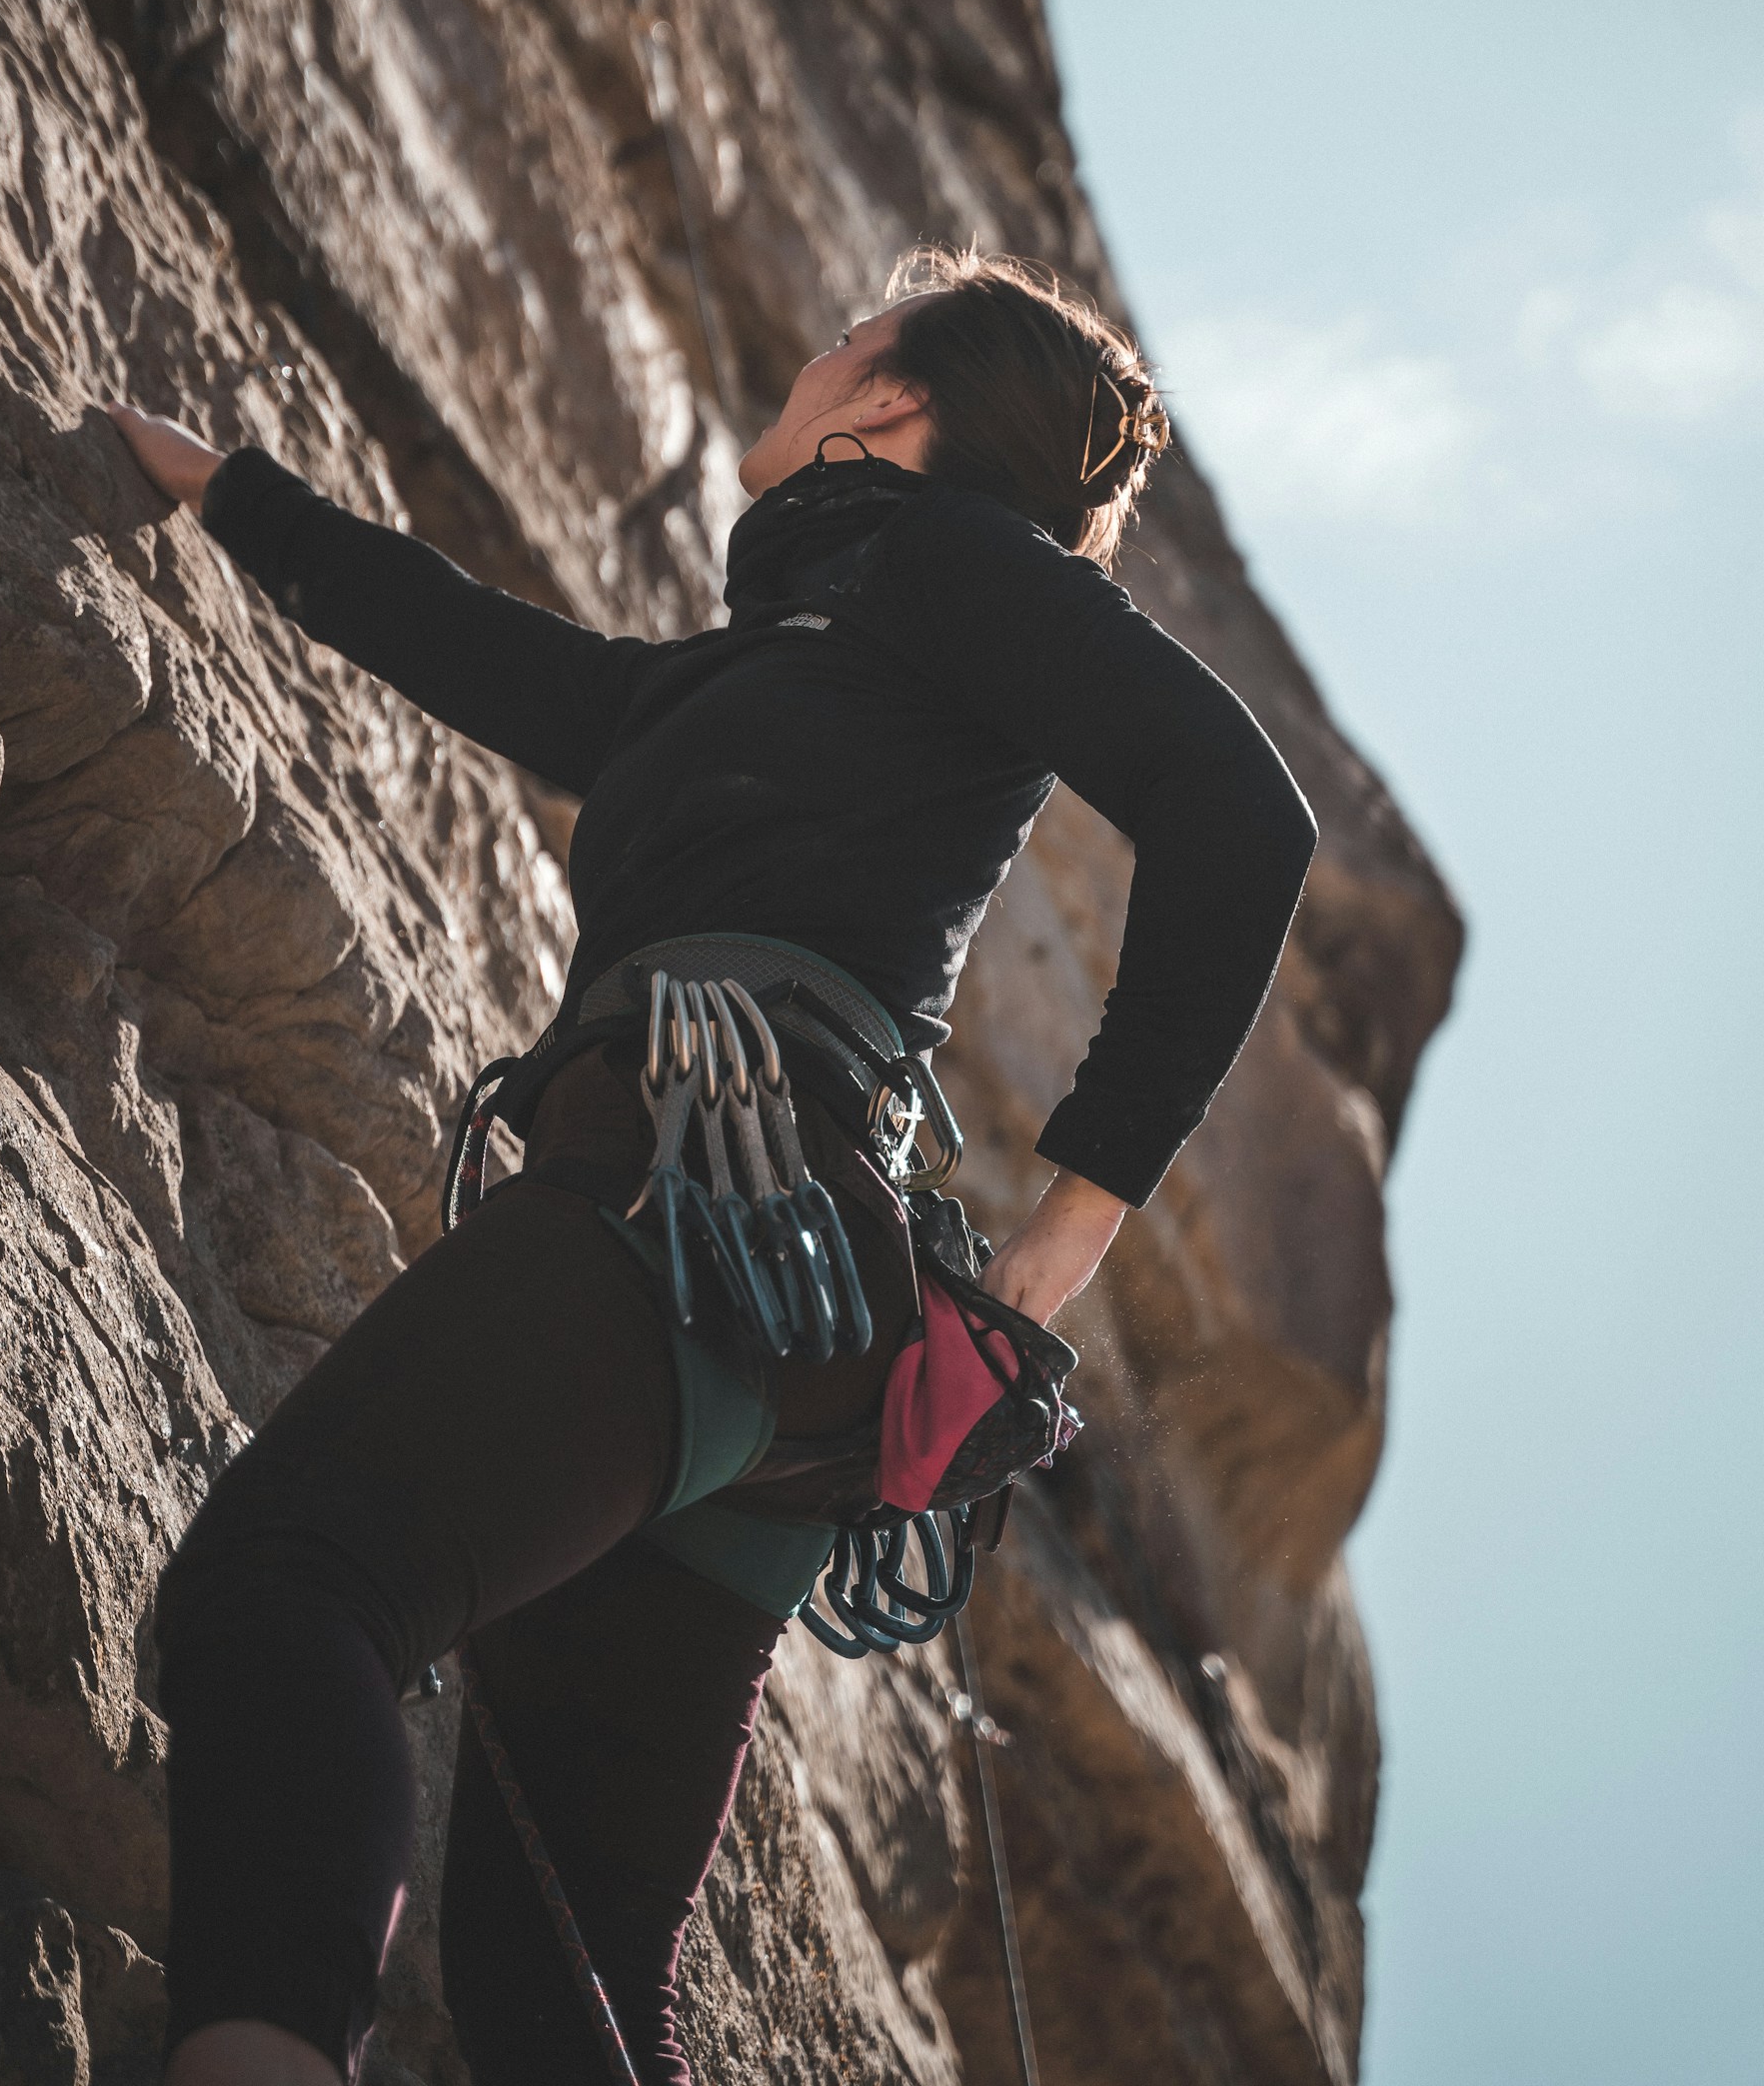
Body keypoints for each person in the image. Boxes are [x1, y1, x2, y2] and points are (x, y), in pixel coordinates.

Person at [108, 245, 1316, 2086]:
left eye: (848, 338)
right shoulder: (773, 668)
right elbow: (489, 653)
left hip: (703, 1217)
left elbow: (1244, 816)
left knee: (292, 1583)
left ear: (890, 407)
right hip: (789, 1342)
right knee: (557, 1967)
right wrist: (227, 492)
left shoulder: (936, 563)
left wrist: (1066, 1230)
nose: (811, 356)